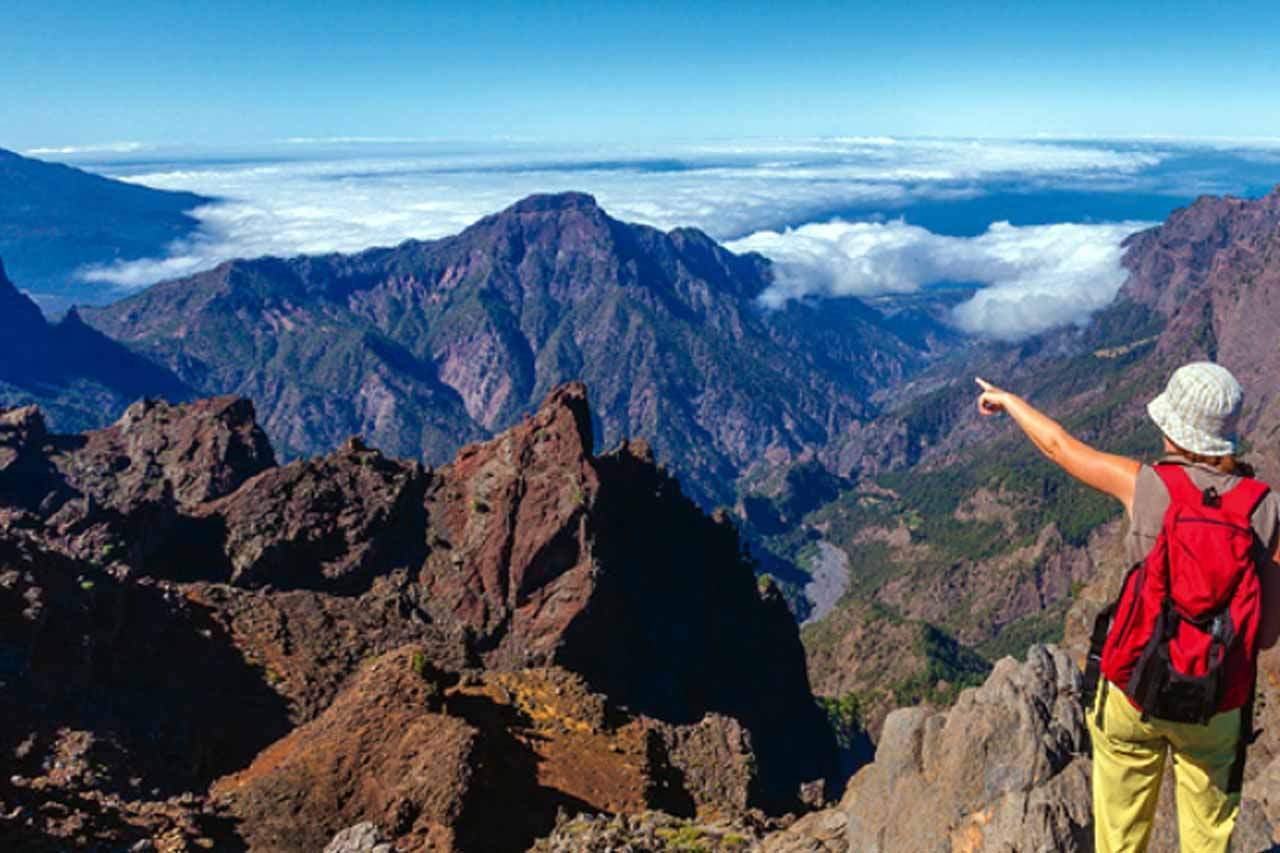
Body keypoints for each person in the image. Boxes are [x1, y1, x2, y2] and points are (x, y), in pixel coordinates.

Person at [974, 362, 1280, 852]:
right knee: (1208, 838)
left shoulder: (1147, 486)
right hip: (1216, 701)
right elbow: (1265, 635)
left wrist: (1008, 401)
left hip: (1135, 688)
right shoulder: (1265, 510)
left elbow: (1059, 447)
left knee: (1120, 837)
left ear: (1172, 428)